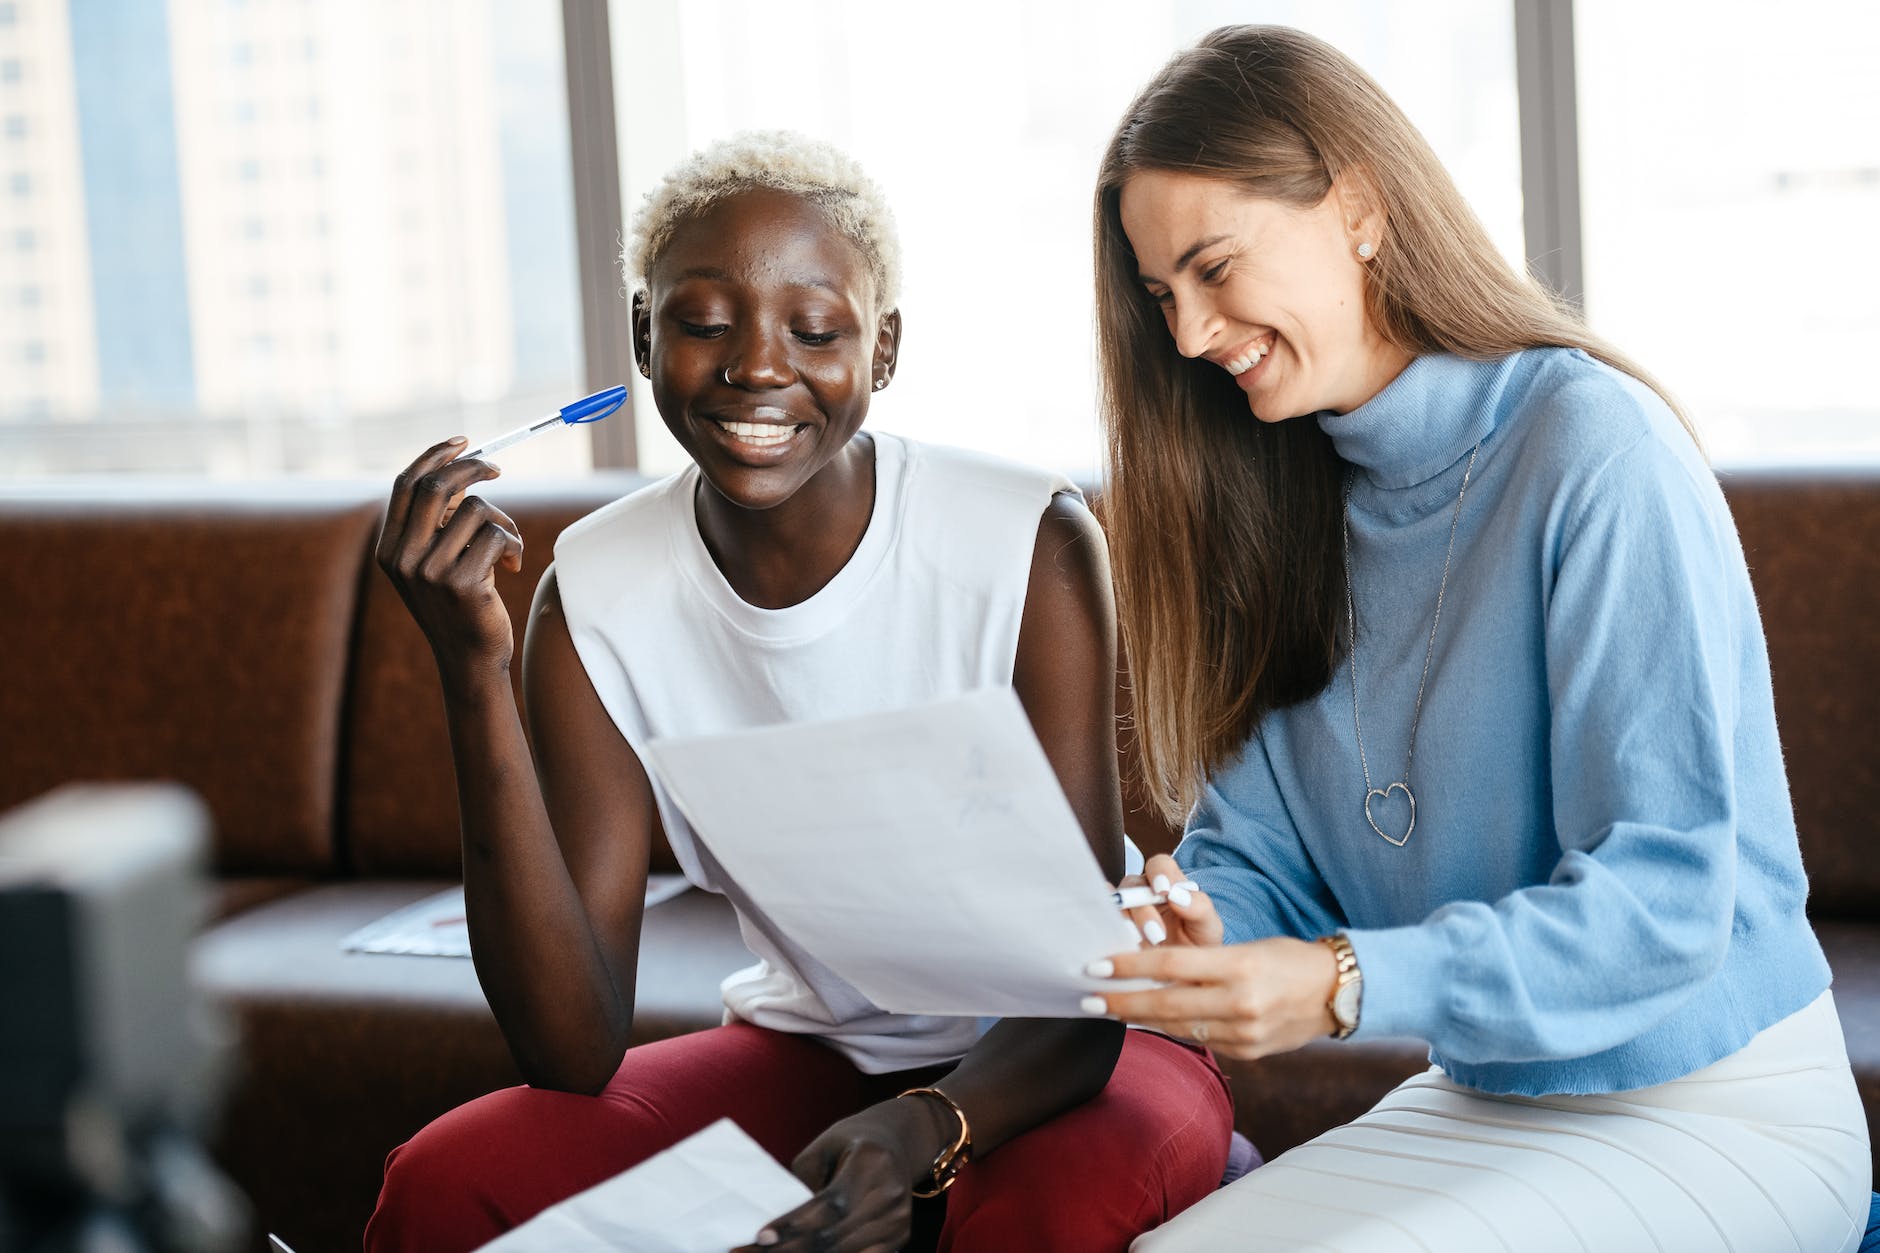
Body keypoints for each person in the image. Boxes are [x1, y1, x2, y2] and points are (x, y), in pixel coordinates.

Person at [1078, 25, 1872, 1253]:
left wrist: (1342, 981)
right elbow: (1259, 868)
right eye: (1158, 294)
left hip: (1721, 1103)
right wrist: (1193, 931)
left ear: (1355, 206)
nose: (1187, 335)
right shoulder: (1269, 505)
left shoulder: (1591, 450)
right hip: (1489, 1096)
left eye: (1214, 267)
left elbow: (1664, 901)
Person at [363, 131, 1231, 1253]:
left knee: (1033, 1221)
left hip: (1082, 1046)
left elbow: (1076, 995)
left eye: (813, 330)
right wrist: (469, 667)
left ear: (881, 350)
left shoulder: (1027, 540)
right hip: (819, 1050)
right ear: (642, 334)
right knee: (450, 1182)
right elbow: (569, 1049)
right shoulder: (592, 593)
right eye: (704, 322)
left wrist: (922, 1129)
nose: (756, 367)